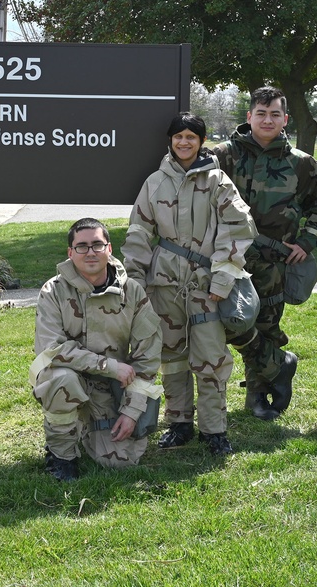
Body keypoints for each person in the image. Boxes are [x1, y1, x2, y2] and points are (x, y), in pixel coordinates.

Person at [121, 112, 257, 455]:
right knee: (172, 356)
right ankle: (179, 423)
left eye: (191, 137)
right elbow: (139, 232)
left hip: (207, 285)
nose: (184, 143)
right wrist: (135, 282)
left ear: (201, 141)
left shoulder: (217, 180)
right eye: (178, 136)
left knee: (211, 358)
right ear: (170, 140)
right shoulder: (154, 182)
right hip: (163, 285)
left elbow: (239, 228)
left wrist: (224, 278)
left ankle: (215, 430)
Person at [209, 86, 317, 421]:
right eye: (261, 113)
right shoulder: (221, 157)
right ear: (249, 116)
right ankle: (279, 365)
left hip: (272, 263)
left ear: (285, 119)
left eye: (275, 114)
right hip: (225, 259)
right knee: (228, 323)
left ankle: (257, 395)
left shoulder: (300, 164)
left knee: (265, 325)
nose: (268, 120)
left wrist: (308, 240)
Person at [32, 218, 163, 481]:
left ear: (109, 249)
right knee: (62, 380)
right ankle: (61, 455)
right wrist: (108, 366)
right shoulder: (53, 291)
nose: (90, 252)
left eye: (97, 245)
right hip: (68, 377)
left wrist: (131, 411)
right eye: (81, 246)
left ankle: (82, 428)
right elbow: (53, 349)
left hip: (112, 387)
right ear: (70, 253)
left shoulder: (133, 292)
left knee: (120, 461)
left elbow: (147, 358)